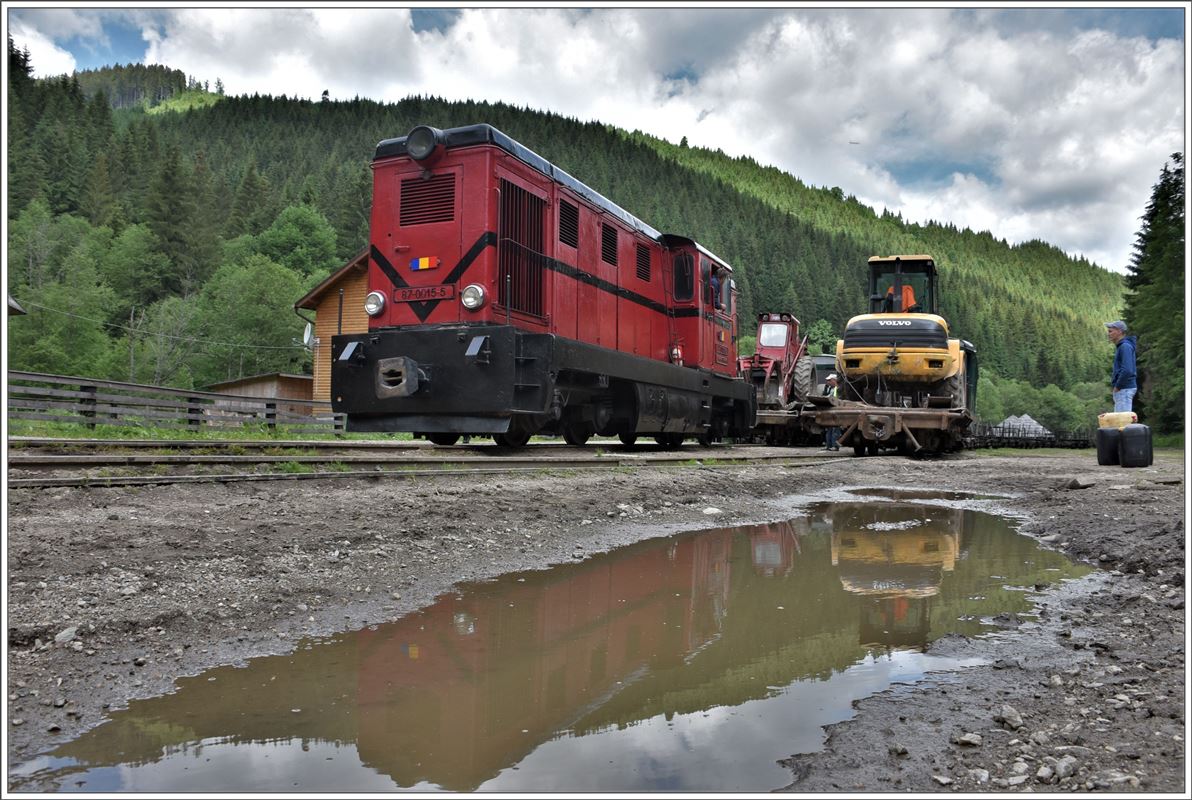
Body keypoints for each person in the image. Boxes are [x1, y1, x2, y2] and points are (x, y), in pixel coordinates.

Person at [1105, 320, 1137, 412]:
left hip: (1124, 389)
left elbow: (1127, 370)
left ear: (1119, 331)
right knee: (1120, 421)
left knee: (1122, 422)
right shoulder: (1123, 346)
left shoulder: (1125, 346)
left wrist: (1117, 386)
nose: (1108, 334)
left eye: (1110, 331)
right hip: (1124, 389)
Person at [821, 374, 841, 451]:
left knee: (835, 429)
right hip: (830, 411)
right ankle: (828, 445)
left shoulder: (837, 389)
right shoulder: (829, 388)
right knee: (829, 429)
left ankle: (835, 446)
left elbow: (835, 399)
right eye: (827, 380)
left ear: (834, 380)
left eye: (829, 380)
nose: (827, 382)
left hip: (836, 411)